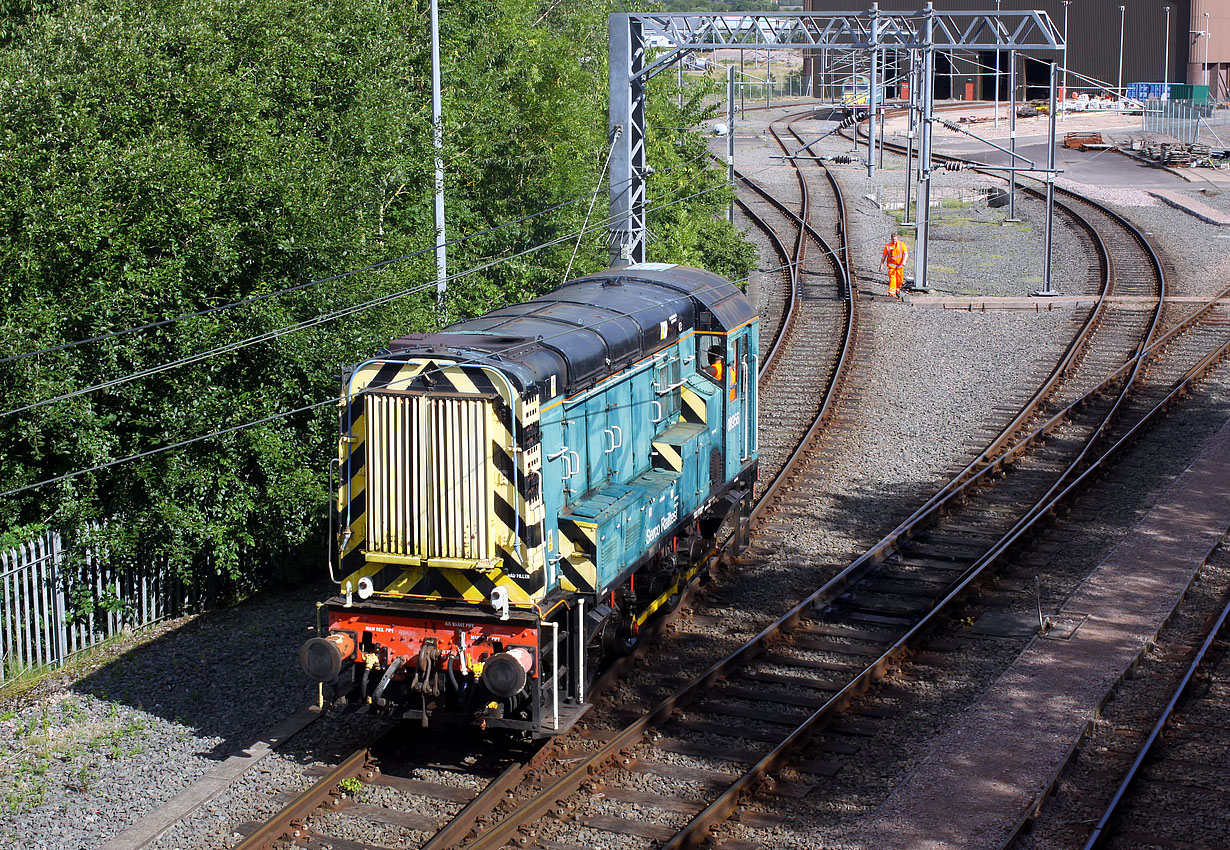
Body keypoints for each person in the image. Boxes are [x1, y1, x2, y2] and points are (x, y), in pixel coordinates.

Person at [879, 233, 909, 301]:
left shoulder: (902, 244)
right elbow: (884, 256)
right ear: (891, 239)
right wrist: (881, 265)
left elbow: (905, 253)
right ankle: (891, 293)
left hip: (900, 266)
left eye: (895, 239)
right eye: (893, 239)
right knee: (892, 279)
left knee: (900, 279)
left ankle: (897, 290)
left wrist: (904, 261)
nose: (894, 240)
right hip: (892, 266)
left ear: (897, 238)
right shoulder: (888, 246)